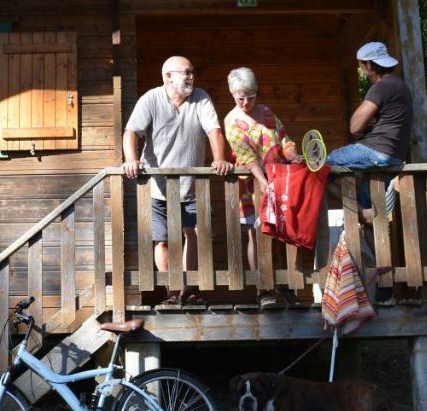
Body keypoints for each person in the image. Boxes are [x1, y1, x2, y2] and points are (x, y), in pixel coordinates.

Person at [123, 55, 232, 306]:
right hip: (157, 186)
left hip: (192, 186)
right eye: (186, 72)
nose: (191, 76)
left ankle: (189, 289)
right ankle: (172, 291)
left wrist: (219, 159)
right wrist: (131, 160)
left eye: (192, 71)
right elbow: (131, 132)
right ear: (168, 76)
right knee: (161, 239)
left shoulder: (201, 98)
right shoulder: (151, 99)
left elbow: (213, 131)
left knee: (192, 233)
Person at [222, 67, 300, 307]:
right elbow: (246, 157)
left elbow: (284, 139)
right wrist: (263, 182)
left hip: (280, 180)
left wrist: (294, 156)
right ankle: (263, 289)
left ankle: (288, 287)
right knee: (255, 234)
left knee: (283, 233)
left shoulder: (266, 112)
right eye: (240, 97)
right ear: (233, 94)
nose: (246, 102)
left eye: (251, 96)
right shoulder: (232, 121)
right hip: (251, 187)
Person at [328, 41, 413, 222]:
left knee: (319, 168)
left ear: (367, 65)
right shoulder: (400, 85)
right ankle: (368, 216)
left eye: (360, 64)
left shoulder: (382, 87)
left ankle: (361, 213)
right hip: (394, 155)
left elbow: (355, 126)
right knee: (369, 205)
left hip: (376, 151)